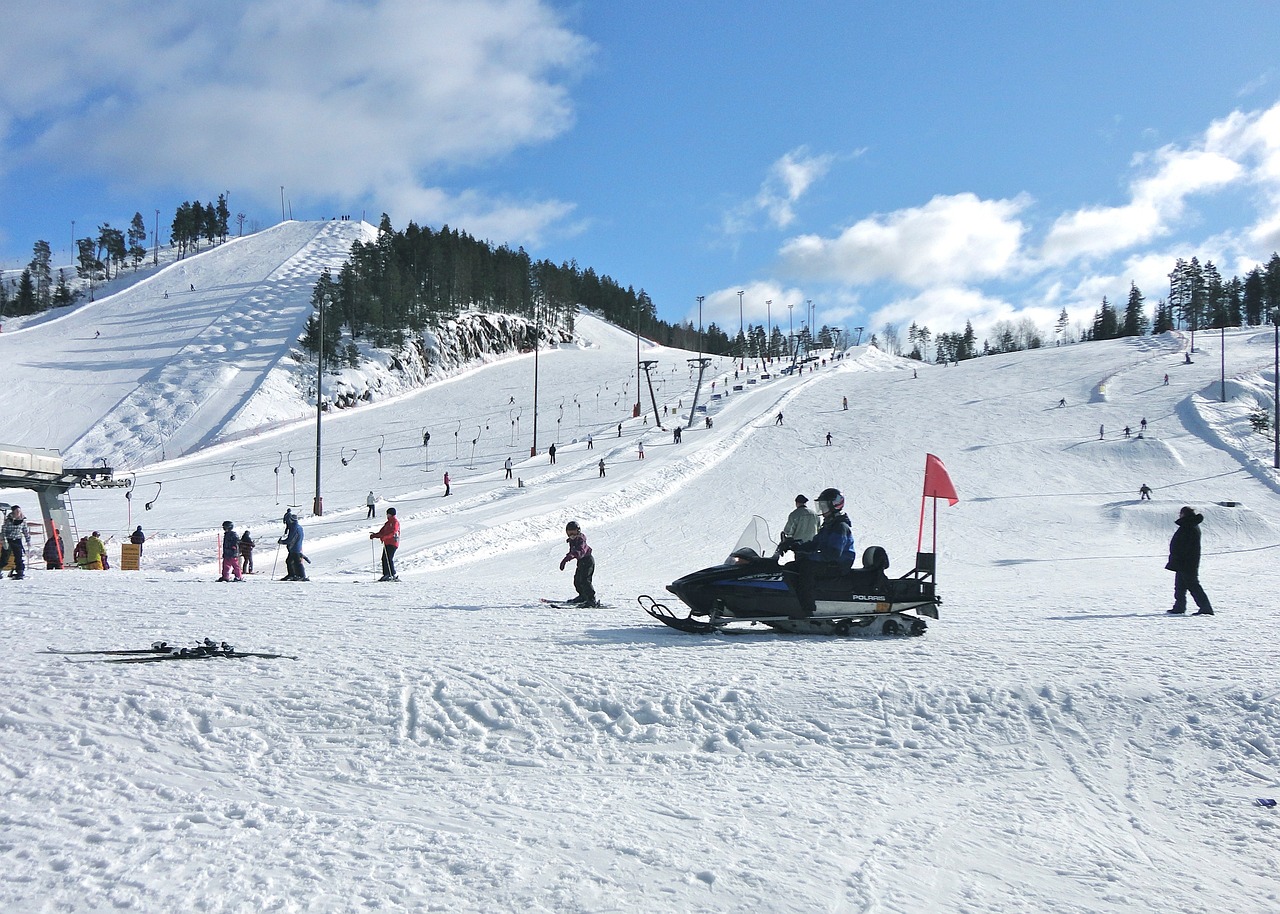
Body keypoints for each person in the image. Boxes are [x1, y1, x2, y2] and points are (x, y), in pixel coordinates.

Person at [782, 488, 855, 618]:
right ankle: (789, 603)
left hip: (838, 565)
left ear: (834, 506)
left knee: (807, 567)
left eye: (824, 505)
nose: (821, 509)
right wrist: (796, 546)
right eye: (820, 506)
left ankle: (807, 608)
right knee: (791, 567)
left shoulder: (840, 526)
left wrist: (810, 556)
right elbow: (815, 543)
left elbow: (832, 554)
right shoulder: (828, 525)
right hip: (831, 561)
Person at [1166, 506, 1213, 615]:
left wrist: (1179, 557)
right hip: (1182, 562)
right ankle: (1179, 607)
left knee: (1193, 586)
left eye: (1181, 513)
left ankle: (1206, 608)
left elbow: (1186, 546)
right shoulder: (1188, 525)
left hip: (1187, 562)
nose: (1179, 515)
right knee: (1180, 586)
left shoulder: (1189, 526)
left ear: (1184, 514)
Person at [559, 521, 596, 606]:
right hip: (581, 562)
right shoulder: (572, 541)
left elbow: (580, 551)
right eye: (569, 532)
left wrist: (569, 557)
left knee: (585, 580)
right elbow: (573, 551)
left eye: (574, 532)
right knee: (577, 580)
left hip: (587, 561)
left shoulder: (580, 540)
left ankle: (591, 599)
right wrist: (566, 558)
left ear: (578, 531)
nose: (572, 534)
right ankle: (583, 596)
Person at [370, 507, 400, 582]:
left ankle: (391, 574)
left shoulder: (395, 522)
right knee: (384, 558)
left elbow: (393, 532)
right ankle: (387, 574)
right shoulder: (387, 523)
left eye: (388, 514)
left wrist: (385, 537)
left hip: (393, 542)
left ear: (391, 514)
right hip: (387, 542)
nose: (387, 515)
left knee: (388, 558)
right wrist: (375, 535)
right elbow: (382, 532)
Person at [2, 505, 31, 579]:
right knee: (5, 557)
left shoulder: (22, 521)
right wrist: (4, 540)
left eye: (19, 511)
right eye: (17, 511)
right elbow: (4, 531)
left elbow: (25, 531)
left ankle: (20, 571)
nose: (18, 513)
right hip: (9, 540)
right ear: (13, 512)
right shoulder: (8, 520)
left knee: (18, 557)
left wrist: (28, 540)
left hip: (17, 540)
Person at [279, 511, 308, 581]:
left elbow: (290, 539)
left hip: (295, 548)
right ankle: (292, 574)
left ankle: (302, 575)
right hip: (295, 547)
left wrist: (282, 542)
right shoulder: (297, 527)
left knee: (297, 562)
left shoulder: (294, 528)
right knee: (289, 561)